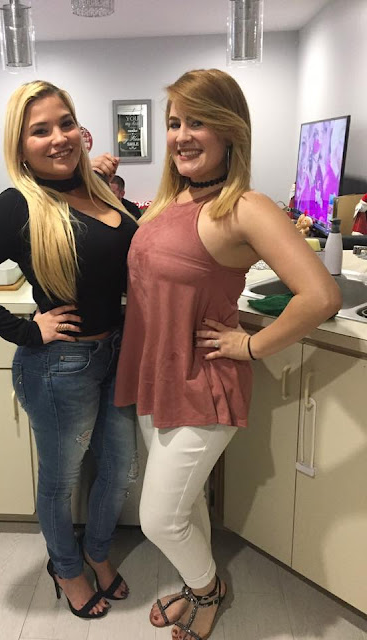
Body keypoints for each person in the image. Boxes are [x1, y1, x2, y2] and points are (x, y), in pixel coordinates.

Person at [114, 69, 341, 640]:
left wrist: (251, 344)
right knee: (182, 503)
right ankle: (196, 586)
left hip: (204, 383)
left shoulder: (244, 207)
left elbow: (320, 296)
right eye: (174, 122)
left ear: (229, 129)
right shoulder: (169, 200)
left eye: (198, 121)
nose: (181, 135)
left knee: (158, 517)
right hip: (155, 375)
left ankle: (208, 589)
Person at [0, 80, 138, 620]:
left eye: (65, 123)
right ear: (20, 145)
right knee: (61, 479)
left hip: (117, 355)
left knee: (119, 469)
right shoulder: (17, 205)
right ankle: (66, 567)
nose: (58, 138)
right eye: (40, 130)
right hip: (59, 367)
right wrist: (28, 331)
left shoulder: (101, 192)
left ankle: (97, 553)